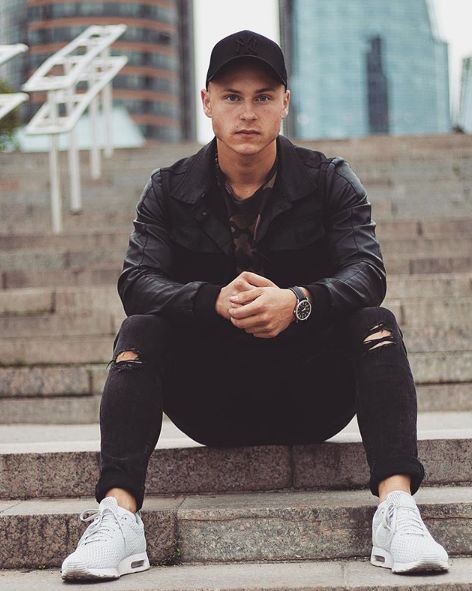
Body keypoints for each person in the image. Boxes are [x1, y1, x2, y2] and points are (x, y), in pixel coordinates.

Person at [61, 30, 449, 582]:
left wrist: (299, 301)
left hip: (314, 395)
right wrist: (211, 301)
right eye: (232, 97)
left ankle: (398, 509)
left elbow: (368, 273)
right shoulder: (168, 189)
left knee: (375, 324)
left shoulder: (329, 180)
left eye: (263, 96)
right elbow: (136, 282)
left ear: (285, 102)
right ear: (207, 102)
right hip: (210, 402)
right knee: (140, 329)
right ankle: (118, 517)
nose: (248, 112)